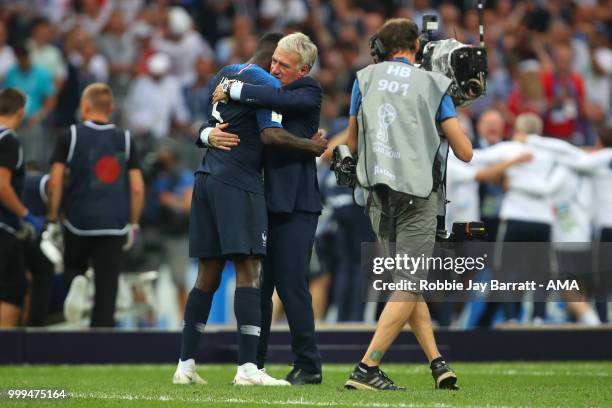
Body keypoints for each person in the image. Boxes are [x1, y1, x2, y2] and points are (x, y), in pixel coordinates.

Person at [172, 32, 327, 387]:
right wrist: (207, 135)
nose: (275, 69)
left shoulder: (307, 90)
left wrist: (232, 89)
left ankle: (308, 365)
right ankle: (252, 364)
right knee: (256, 284)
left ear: (302, 70)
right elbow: (212, 119)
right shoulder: (259, 83)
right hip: (253, 195)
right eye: (273, 62)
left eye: (283, 65)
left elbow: (264, 99)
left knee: (290, 286)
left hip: (293, 202)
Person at [341, 18, 473, 391]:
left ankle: (437, 363)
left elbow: (351, 144)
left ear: (382, 48)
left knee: (405, 283)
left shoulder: (363, 79)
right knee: (410, 283)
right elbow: (464, 152)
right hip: (418, 196)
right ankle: (367, 367)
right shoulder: (432, 84)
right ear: (417, 46)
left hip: (377, 196)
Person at [47, 83, 145, 328]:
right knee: (107, 288)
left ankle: (77, 281)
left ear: (85, 106)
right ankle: (101, 346)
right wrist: (133, 223)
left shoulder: (69, 136)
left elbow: (55, 180)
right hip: (114, 223)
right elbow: (137, 187)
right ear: (110, 108)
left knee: (72, 267)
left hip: (77, 219)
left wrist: (52, 217)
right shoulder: (125, 139)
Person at [0, 88, 44, 328]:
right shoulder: (9, 139)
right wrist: (25, 214)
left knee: (16, 284)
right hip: (3, 226)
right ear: (20, 112)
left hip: (8, 230)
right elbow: (2, 185)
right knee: (8, 288)